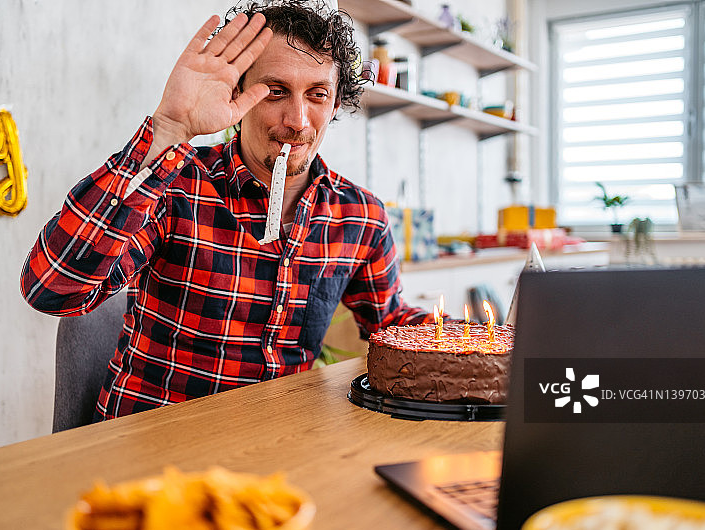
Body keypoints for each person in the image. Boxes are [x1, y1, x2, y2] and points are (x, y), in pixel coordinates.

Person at [21, 0, 428, 421]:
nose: (297, 120)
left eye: (317, 94)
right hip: (152, 440)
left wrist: (466, 337)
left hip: (274, 443)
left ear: (336, 102)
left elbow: (391, 323)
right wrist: (167, 130)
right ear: (237, 93)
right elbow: (51, 291)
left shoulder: (360, 216)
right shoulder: (176, 185)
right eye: (275, 91)